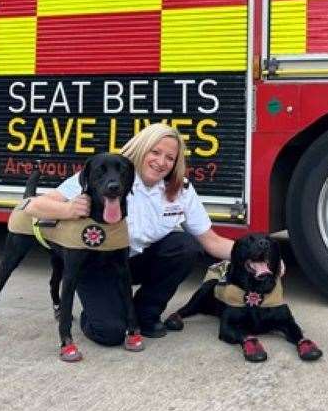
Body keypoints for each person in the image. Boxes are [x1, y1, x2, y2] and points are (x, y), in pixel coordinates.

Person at [22, 123, 235, 345]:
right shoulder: (107, 173)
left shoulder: (181, 189)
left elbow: (212, 241)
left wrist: (262, 259)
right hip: (96, 265)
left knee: (185, 246)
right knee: (110, 334)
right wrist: (68, 209)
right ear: (141, 148)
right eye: (155, 152)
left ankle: (145, 313)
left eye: (170, 158)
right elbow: (32, 206)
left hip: (129, 263)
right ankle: (99, 314)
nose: (161, 162)